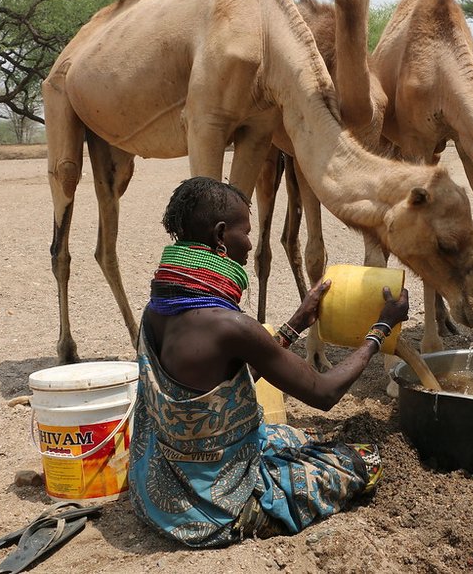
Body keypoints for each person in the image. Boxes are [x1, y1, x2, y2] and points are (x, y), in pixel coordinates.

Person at [128, 176, 409, 548]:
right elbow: (324, 393)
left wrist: (294, 325)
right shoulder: (229, 325)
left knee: (300, 437)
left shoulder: (156, 312)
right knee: (363, 458)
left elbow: (225, 384)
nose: (250, 243)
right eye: (246, 232)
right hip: (214, 511)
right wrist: (380, 330)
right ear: (220, 235)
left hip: (158, 489)